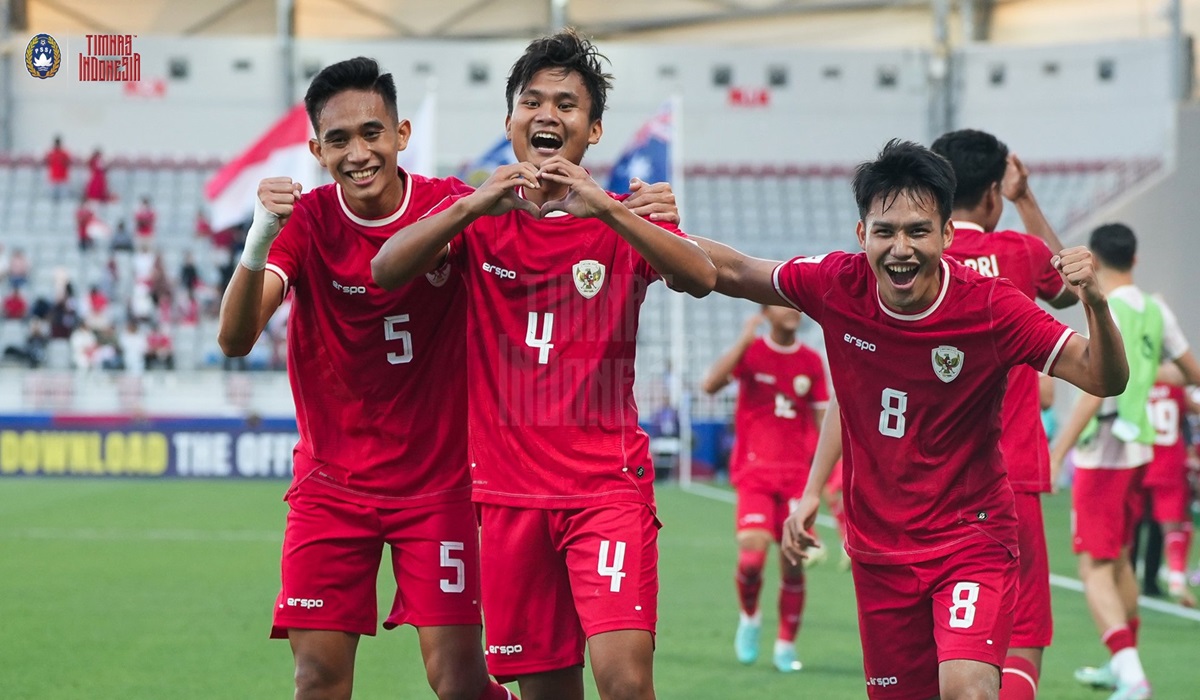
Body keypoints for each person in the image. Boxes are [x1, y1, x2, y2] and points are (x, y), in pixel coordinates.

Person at [218, 55, 677, 700]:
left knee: (460, 681)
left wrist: (631, 209)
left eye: (372, 133)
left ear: (401, 134)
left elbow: (545, 225)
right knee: (316, 677)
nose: (359, 153)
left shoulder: (455, 206)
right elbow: (236, 339)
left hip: (443, 487)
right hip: (331, 485)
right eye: (340, 139)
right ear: (316, 149)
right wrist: (258, 241)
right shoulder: (310, 222)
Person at [687, 139, 1127, 700]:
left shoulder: (991, 304)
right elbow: (731, 269)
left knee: (967, 688)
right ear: (861, 235)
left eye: (918, 231)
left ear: (946, 235)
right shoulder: (836, 285)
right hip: (880, 551)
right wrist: (618, 219)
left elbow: (1102, 376)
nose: (901, 248)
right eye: (885, 231)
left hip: (973, 533)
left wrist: (1097, 303)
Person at [371, 29, 716, 700]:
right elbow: (385, 271)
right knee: (546, 691)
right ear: (510, 122)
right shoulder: (475, 217)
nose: (548, 115)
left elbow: (699, 277)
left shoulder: (621, 218)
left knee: (623, 680)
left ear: (592, 130)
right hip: (508, 497)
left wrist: (610, 211)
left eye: (566, 104)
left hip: (605, 490)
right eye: (532, 101)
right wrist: (472, 202)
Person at [931, 128, 1079, 700]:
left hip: (926, 486)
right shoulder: (1019, 254)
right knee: (1018, 639)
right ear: (992, 192)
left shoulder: (918, 259)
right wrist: (1024, 200)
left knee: (936, 648)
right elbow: (1068, 287)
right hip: (1008, 475)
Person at [1051, 223, 1200, 700]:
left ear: (1092, 259)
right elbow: (1190, 374)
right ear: (1134, 260)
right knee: (1119, 559)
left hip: (1105, 451)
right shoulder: (1157, 309)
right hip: (1141, 449)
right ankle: (1122, 664)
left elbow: (1098, 389)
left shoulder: (1105, 308)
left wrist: (1058, 451)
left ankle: (1132, 674)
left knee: (1093, 566)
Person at [700, 305, 828, 673]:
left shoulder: (811, 361)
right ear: (764, 311)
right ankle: (750, 618)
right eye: (781, 303)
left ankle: (786, 646)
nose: (791, 310)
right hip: (755, 474)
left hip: (795, 479)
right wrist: (743, 339)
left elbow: (823, 423)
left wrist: (827, 482)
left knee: (791, 567)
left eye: (794, 304)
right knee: (752, 558)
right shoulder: (752, 353)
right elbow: (710, 385)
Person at [1138, 363, 1197, 606]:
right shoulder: (1177, 389)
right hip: (1172, 460)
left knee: (1135, 523)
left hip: (1142, 458)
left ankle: (1128, 573)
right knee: (1173, 523)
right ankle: (1175, 577)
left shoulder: (1139, 385)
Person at [46, 135, 71, 202]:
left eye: (58, 143)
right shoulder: (50, 153)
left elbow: (68, 163)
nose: (57, 145)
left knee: (64, 199)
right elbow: (46, 162)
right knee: (52, 199)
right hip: (53, 177)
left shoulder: (65, 153)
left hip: (63, 178)